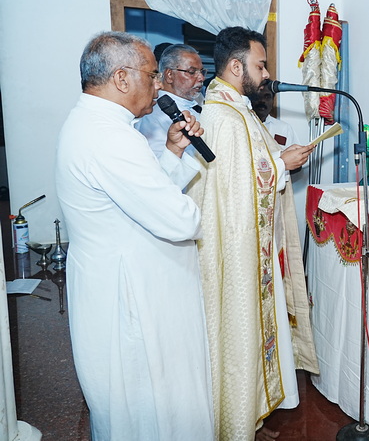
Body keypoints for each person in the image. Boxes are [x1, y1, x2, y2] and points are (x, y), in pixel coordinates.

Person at [55, 31, 213, 440]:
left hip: (124, 280)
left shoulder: (97, 123)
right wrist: (204, 214)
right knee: (152, 410)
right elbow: (179, 220)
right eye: (152, 74)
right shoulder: (110, 137)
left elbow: (140, 197)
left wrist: (173, 152)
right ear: (122, 78)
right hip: (134, 294)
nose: (158, 84)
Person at [187, 26, 319, 441]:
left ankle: (251, 416)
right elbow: (239, 186)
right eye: (260, 66)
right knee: (237, 334)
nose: (266, 74)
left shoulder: (238, 110)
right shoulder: (222, 117)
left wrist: (280, 158)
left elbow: (251, 168)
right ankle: (235, 423)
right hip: (235, 249)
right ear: (235, 66)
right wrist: (283, 165)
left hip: (252, 244)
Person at [136, 44, 206, 158]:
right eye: (192, 72)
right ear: (169, 75)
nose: (201, 78)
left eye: (201, 72)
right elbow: (159, 162)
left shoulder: (194, 103)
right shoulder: (154, 115)